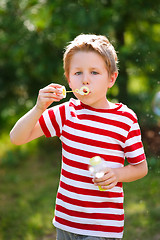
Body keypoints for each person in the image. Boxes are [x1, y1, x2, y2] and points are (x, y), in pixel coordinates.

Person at [10, 34, 148, 240]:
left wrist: (117, 175)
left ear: (111, 78)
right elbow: (17, 138)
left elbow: (141, 168)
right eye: (77, 73)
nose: (85, 79)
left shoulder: (125, 119)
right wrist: (38, 108)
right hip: (66, 221)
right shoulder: (66, 113)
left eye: (94, 72)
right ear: (69, 79)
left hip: (103, 227)